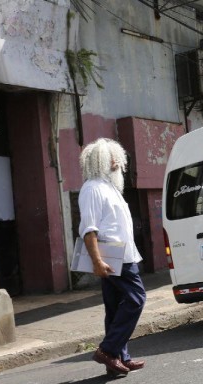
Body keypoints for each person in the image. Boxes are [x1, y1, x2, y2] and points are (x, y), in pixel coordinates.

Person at [78, 138, 146, 377]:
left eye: (117, 157)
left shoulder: (110, 188)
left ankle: (118, 358)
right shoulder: (93, 188)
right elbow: (89, 229)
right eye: (111, 158)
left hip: (123, 256)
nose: (117, 162)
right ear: (100, 162)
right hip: (113, 258)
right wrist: (96, 260)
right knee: (136, 299)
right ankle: (108, 350)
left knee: (116, 308)